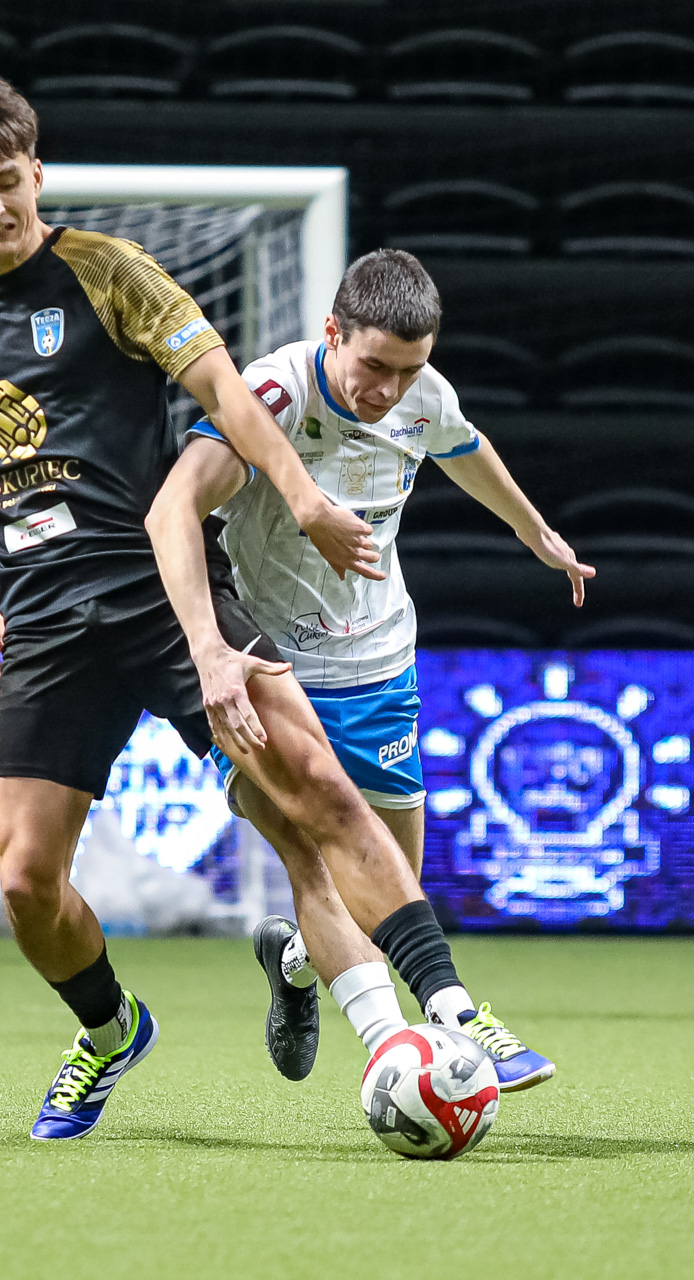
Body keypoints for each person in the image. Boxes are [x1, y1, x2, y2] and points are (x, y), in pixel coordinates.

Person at [0, 71, 519, 1140]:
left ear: (37, 172)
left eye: (9, 181)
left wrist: (304, 496)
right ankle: (108, 1028)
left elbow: (227, 393)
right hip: (46, 620)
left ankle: (449, 1017)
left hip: (157, 589)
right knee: (24, 883)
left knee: (315, 791)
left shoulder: (110, 272)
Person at [146, 249, 591, 1085]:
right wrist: (209, 648)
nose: (388, 390)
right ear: (333, 332)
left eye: (408, 371)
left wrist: (536, 534)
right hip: (272, 670)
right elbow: (173, 509)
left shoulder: (424, 393)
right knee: (313, 859)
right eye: (374, 366)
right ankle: (446, 1027)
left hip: (379, 663)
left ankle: (296, 964)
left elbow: (464, 446)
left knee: (389, 888)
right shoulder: (275, 395)